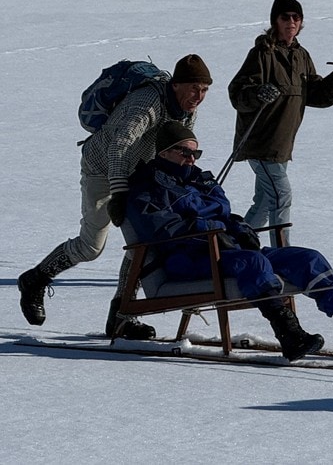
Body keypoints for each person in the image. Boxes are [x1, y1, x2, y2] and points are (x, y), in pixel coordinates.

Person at [125, 123, 333, 361]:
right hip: (187, 259)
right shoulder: (148, 186)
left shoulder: (199, 181)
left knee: (306, 258)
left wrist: (238, 225)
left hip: (226, 251)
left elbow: (225, 214)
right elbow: (160, 228)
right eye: (184, 152)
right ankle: (290, 335)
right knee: (254, 261)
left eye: (195, 152)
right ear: (164, 152)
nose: (191, 159)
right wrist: (210, 229)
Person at [18, 54, 213, 340]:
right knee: (91, 246)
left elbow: (175, 147)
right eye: (194, 88)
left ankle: (122, 316)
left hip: (139, 172)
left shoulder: (187, 111)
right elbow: (119, 145)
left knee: (142, 242)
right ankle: (35, 279)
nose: (199, 96)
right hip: (101, 167)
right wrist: (120, 192)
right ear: (176, 85)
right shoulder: (147, 102)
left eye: (205, 90)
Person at [227, 0, 333, 245]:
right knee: (281, 197)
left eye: (296, 17)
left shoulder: (300, 55)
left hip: (281, 146)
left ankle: (232, 247)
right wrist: (257, 93)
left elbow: (315, 94)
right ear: (275, 21)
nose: (291, 22)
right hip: (260, 143)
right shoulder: (262, 54)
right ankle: (282, 256)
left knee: (265, 201)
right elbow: (237, 93)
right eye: (285, 17)